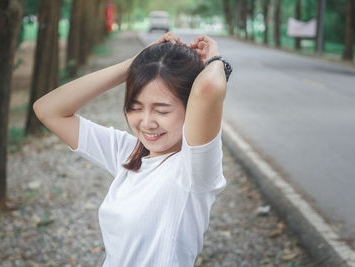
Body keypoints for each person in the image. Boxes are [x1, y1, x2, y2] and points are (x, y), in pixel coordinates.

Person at [33, 32, 231, 267]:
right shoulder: (127, 153)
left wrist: (215, 59)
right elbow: (47, 109)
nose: (147, 122)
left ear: (191, 108)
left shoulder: (192, 170)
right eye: (135, 107)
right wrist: (134, 64)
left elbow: (208, 87)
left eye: (162, 110)